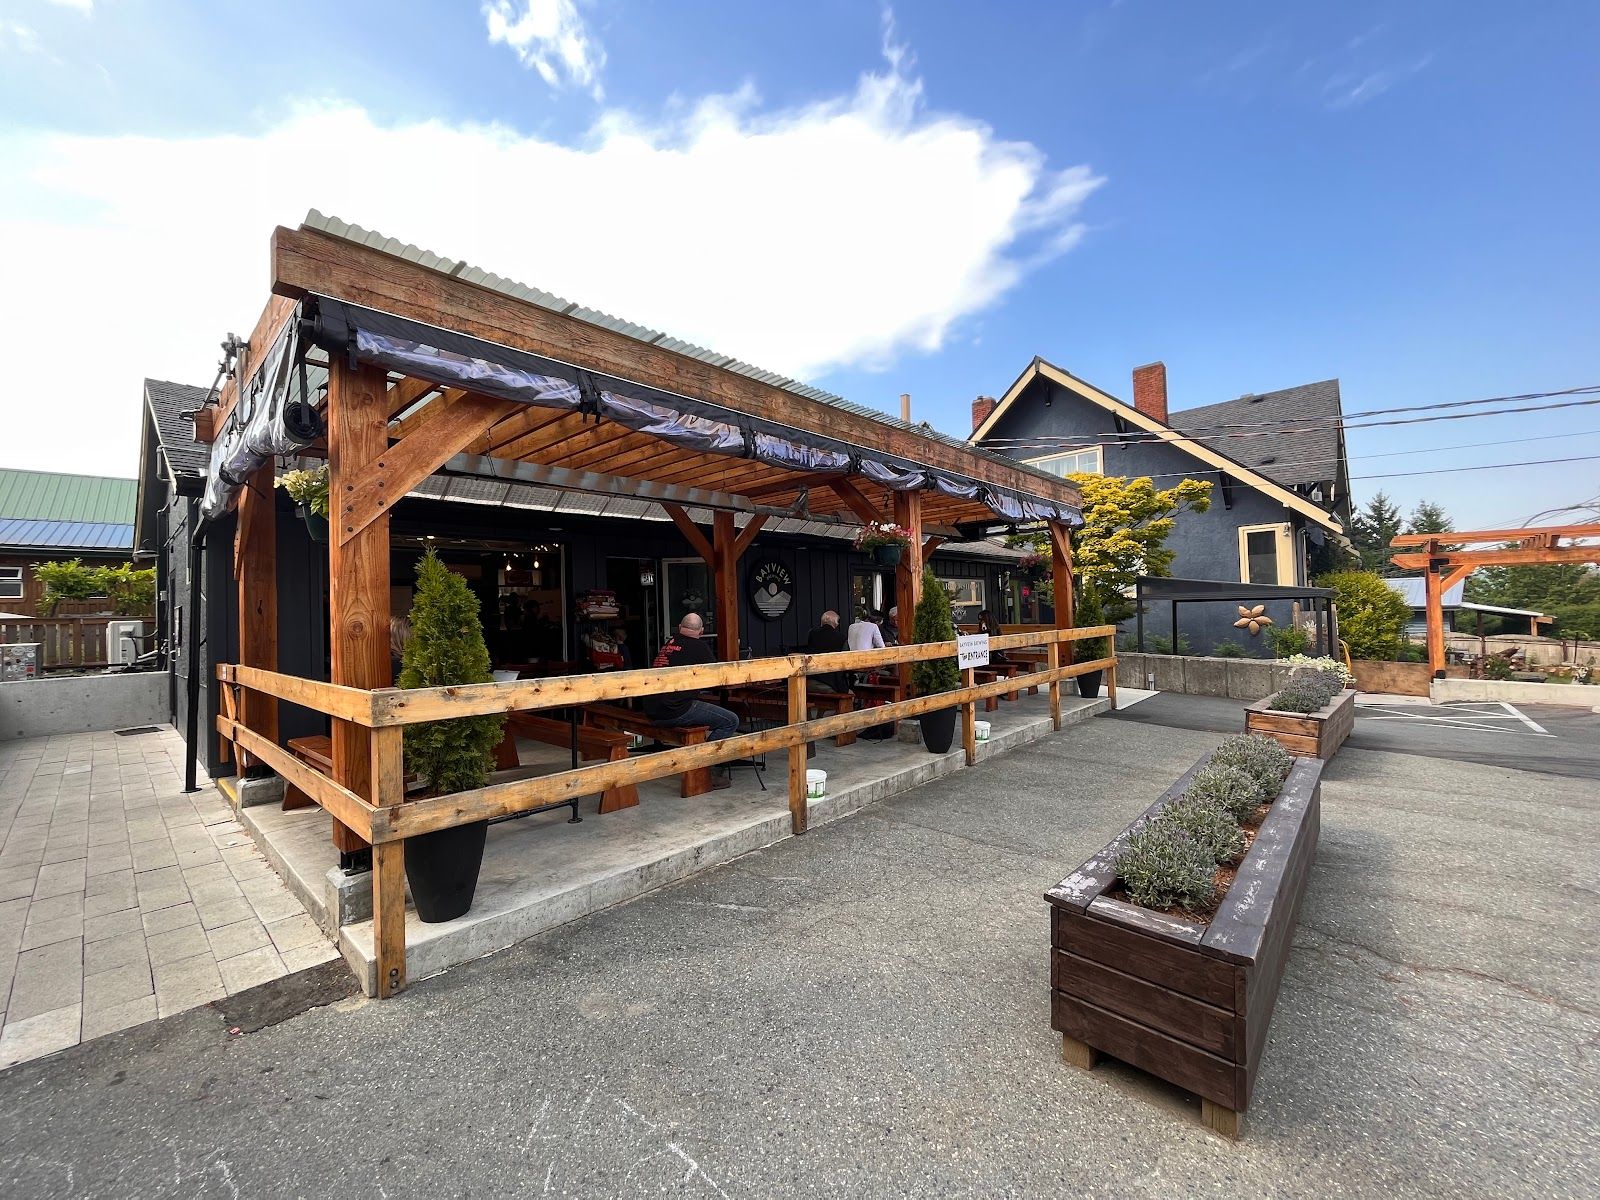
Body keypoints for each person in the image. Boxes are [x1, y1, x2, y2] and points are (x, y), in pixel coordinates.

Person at [645, 613, 740, 788]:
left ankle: (704, 767)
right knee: (730, 721)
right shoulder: (699, 647)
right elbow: (717, 678)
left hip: (652, 708)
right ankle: (705, 773)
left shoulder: (668, 645)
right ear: (701, 631)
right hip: (674, 709)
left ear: (680, 628)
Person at [804, 610, 849, 692]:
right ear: (835, 623)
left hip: (810, 679)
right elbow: (845, 661)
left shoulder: (812, 634)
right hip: (830, 683)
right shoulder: (841, 638)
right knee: (851, 695)